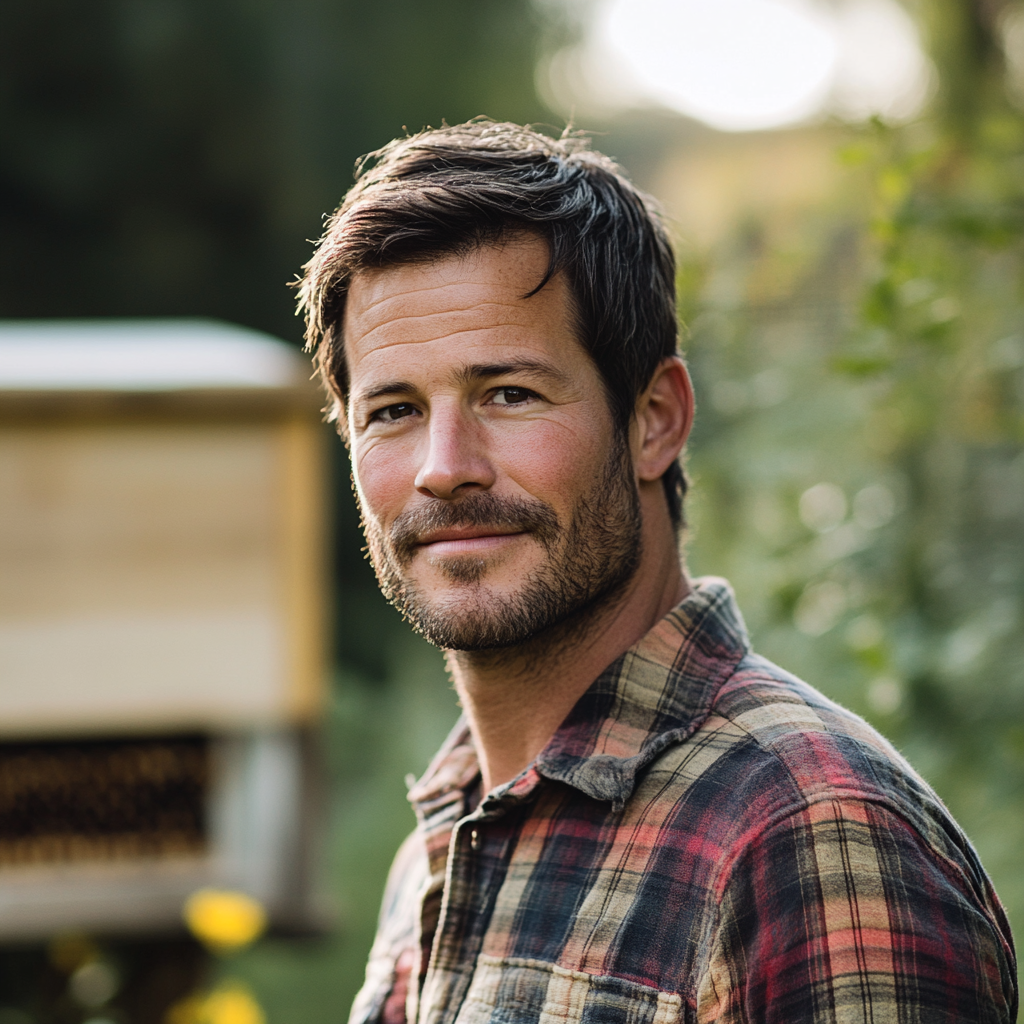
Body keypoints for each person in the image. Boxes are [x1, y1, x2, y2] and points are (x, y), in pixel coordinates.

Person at [297, 120, 1017, 1024]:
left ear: (655, 420)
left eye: (508, 394)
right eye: (394, 410)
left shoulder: (813, 837)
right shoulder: (445, 846)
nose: (445, 465)